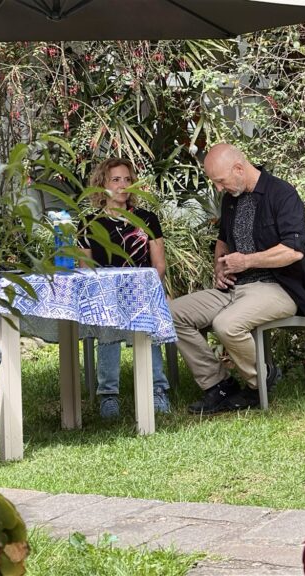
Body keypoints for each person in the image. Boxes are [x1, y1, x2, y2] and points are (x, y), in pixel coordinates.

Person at [172, 143, 305, 414]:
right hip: (235, 288)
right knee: (173, 313)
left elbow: (293, 252)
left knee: (226, 324)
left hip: (278, 288)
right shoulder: (231, 199)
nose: (219, 189)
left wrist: (247, 261)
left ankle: (259, 382)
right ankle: (218, 386)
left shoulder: (281, 193)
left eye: (220, 181)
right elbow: (222, 241)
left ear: (238, 168)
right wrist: (220, 269)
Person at [79, 158, 171, 419]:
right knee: (109, 321)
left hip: (142, 291)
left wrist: (139, 290)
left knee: (147, 321)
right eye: (115, 180)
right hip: (106, 295)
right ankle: (108, 395)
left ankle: (157, 390)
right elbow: (85, 268)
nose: (122, 185)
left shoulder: (147, 219)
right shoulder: (89, 222)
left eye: (127, 179)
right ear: (102, 185)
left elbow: (159, 266)